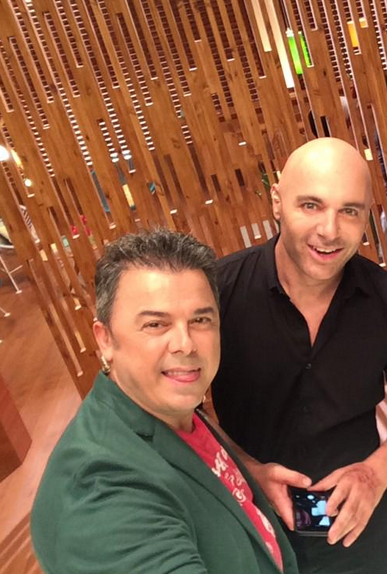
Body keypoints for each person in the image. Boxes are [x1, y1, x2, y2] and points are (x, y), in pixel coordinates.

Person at [211, 137, 387, 574]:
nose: (330, 230)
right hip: (252, 531)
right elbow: (177, 409)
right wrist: (247, 470)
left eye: (349, 211)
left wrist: (377, 471)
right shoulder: (219, 292)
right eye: (311, 205)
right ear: (277, 201)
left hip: (362, 535)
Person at [31, 230, 297, 574]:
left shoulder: (164, 406)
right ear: (105, 338)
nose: (185, 344)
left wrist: (249, 472)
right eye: (156, 324)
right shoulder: (102, 495)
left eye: (200, 320)